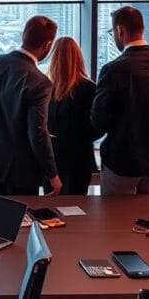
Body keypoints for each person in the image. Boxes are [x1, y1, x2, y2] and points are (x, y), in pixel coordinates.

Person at [0, 15, 63, 196]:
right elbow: (37, 133)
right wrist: (53, 174)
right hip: (19, 170)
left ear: (23, 35)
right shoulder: (40, 82)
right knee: (20, 220)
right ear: (48, 45)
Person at [91, 6, 149, 195]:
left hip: (121, 159)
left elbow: (99, 119)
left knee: (116, 218)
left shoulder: (113, 70)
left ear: (120, 30)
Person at [46, 36, 98, 195]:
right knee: (76, 205)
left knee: (51, 205)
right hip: (80, 155)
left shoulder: (46, 87)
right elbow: (97, 124)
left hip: (52, 156)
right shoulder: (89, 88)